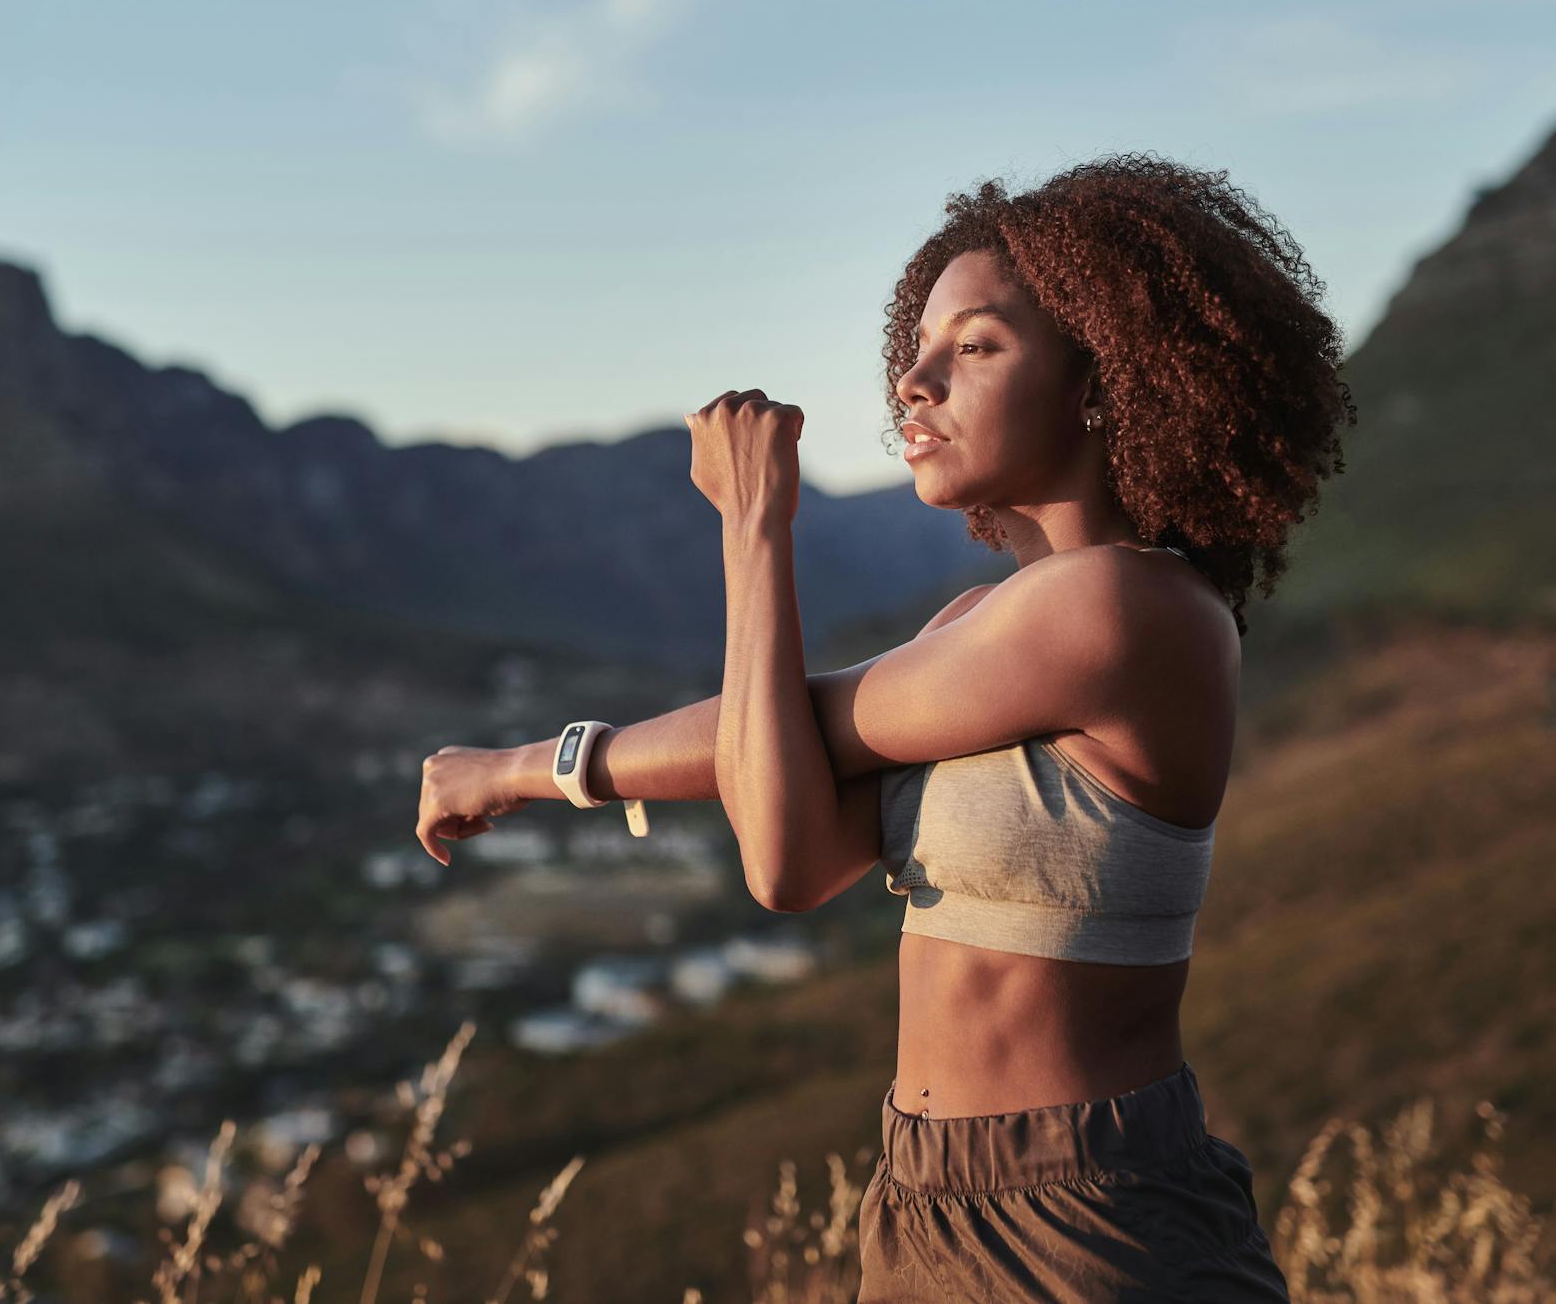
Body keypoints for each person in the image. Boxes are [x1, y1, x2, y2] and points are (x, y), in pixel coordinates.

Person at [416, 153, 1357, 1300]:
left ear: (1101, 381)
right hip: (921, 1204)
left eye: (972, 346)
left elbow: (771, 832)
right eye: (912, 351)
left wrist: (755, 526)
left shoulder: (1125, 606)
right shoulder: (988, 623)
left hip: (1086, 1221)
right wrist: (525, 770)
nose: (912, 382)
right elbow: (799, 836)